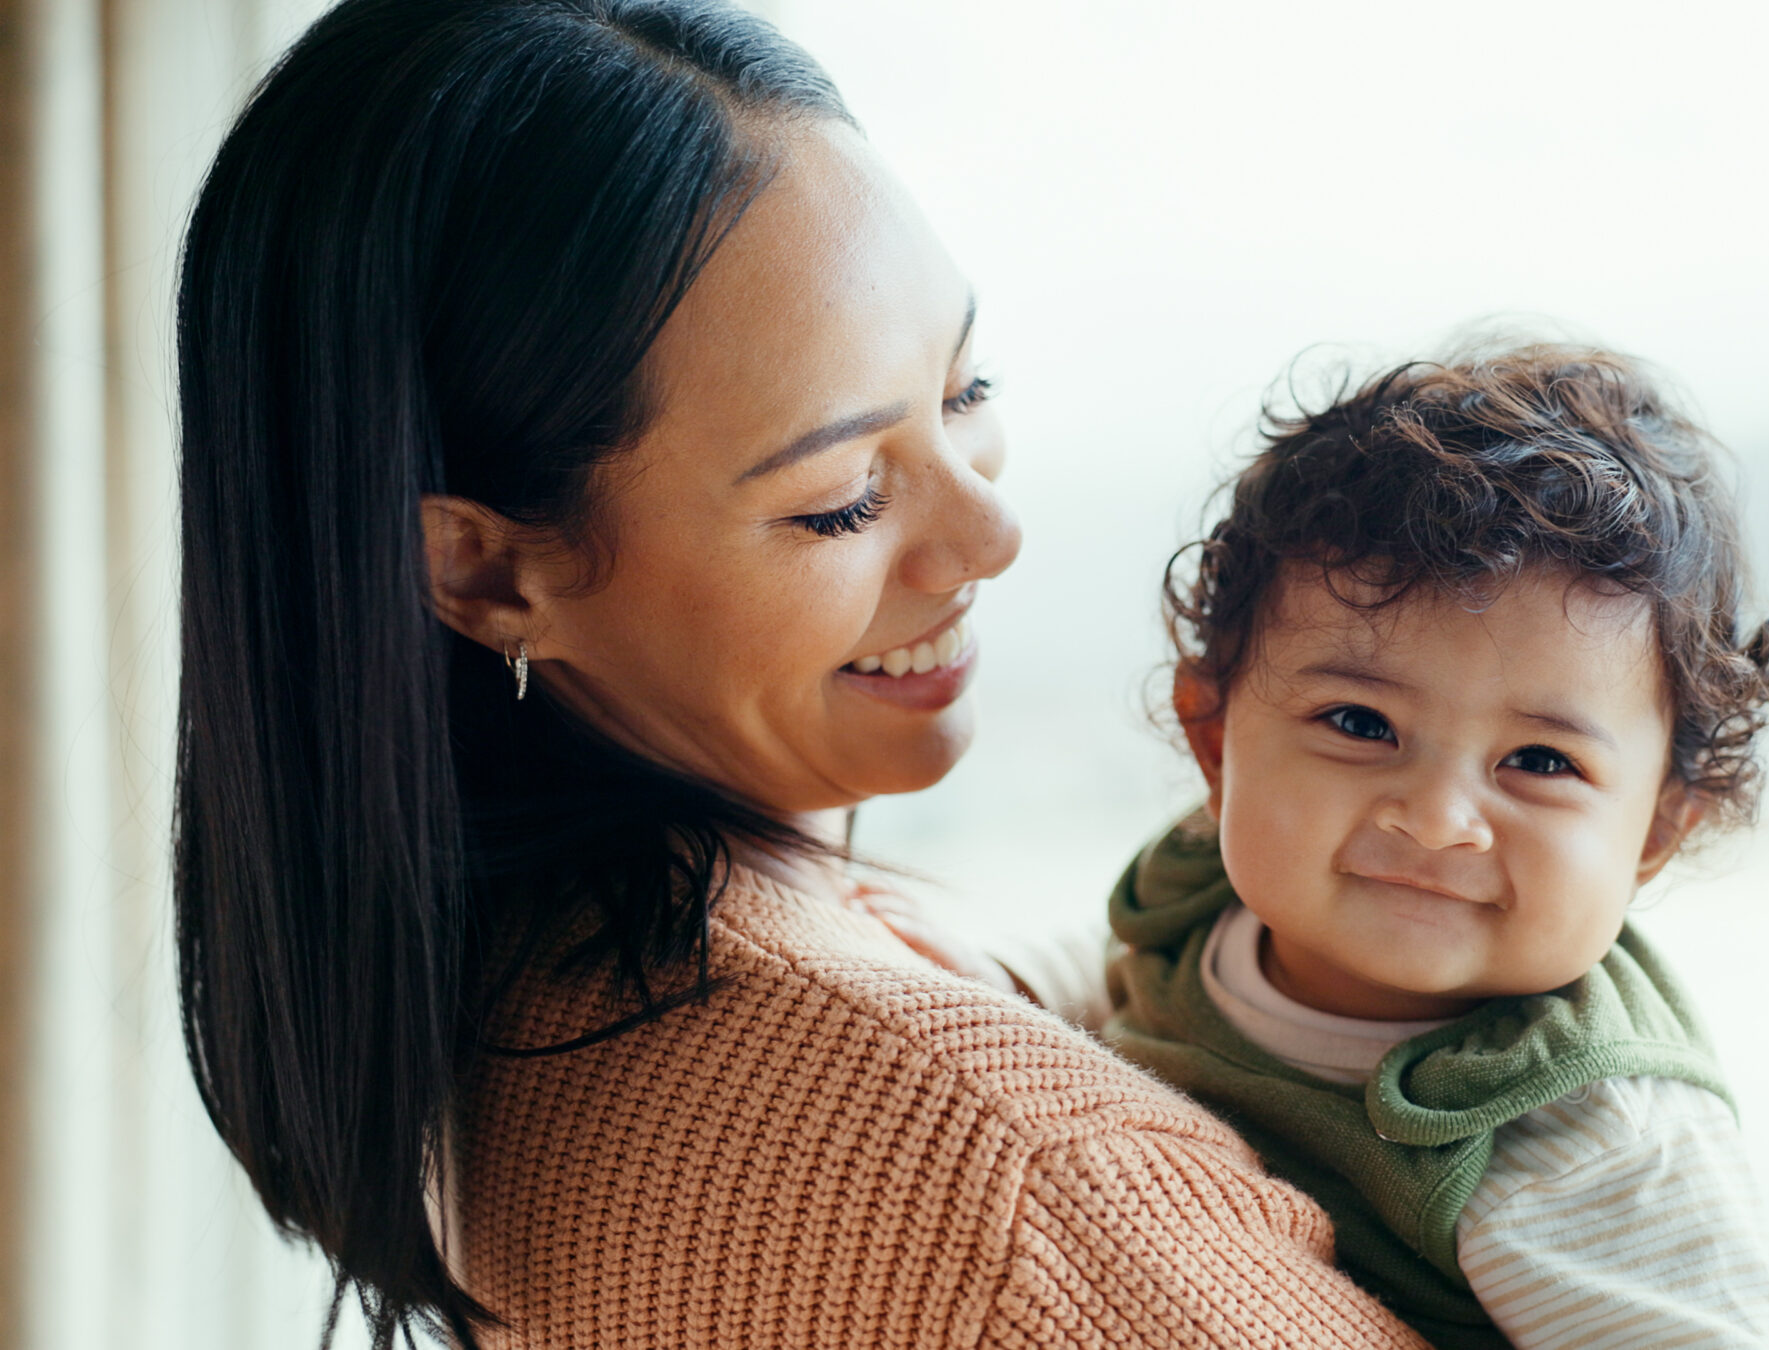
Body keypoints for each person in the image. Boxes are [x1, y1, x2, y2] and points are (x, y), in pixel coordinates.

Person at [170, 1, 1431, 1346]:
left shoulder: (517, 1013)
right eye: (837, 499)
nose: (991, 537)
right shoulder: (1020, 1182)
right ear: (487, 573)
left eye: (965, 386)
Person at [1105, 344, 1769, 1348]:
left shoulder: (1584, 1135)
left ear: (1652, 830)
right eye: (1357, 724)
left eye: (1538, 761)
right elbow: (1102, 990)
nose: (1435, 819)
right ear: (1214, 744)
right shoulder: (1197, 887)